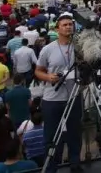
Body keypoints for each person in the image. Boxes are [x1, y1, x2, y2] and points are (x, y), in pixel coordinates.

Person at [34, 13, 82, 173]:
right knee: (52, 136)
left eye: (70, 24)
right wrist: (48, 77)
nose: (69, 27)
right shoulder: (47, 49)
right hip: (52, 98)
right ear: (57, 29)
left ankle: (75, 163)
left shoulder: (78, 47)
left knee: (75, 133)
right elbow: (38, 71)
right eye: (65, 25)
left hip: (74, 96)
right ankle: (52, 166)